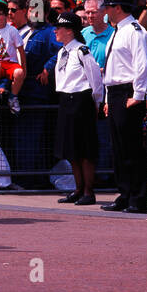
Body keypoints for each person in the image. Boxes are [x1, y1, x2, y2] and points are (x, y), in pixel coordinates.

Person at [100, 0, 147, 214]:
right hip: (115, 91)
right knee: (119, 147)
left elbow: (141, 65)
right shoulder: (117, 32)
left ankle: (138, 198)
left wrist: (138, 95)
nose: (106, 11)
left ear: (118, 7)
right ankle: (125, 192)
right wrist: (107, 99)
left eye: (108, 6)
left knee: (132, 148)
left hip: (128, 91)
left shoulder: (134, 31)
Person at [51, 12, 103, 205]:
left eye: (59, 27)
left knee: (85, 149)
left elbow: (95, 79)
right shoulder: (62, 51)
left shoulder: (82, 51)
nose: (55, 30)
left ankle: (89, 191)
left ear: (70, 31)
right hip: (66, 100)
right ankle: (78, 188)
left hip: (81, 101)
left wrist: (96, 102)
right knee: (71, 149)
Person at [81, 0, 113, 67]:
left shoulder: (114, 35)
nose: (90, 16)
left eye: (93, 12)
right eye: (87, 12)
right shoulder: (83, 34)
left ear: (104, 12)